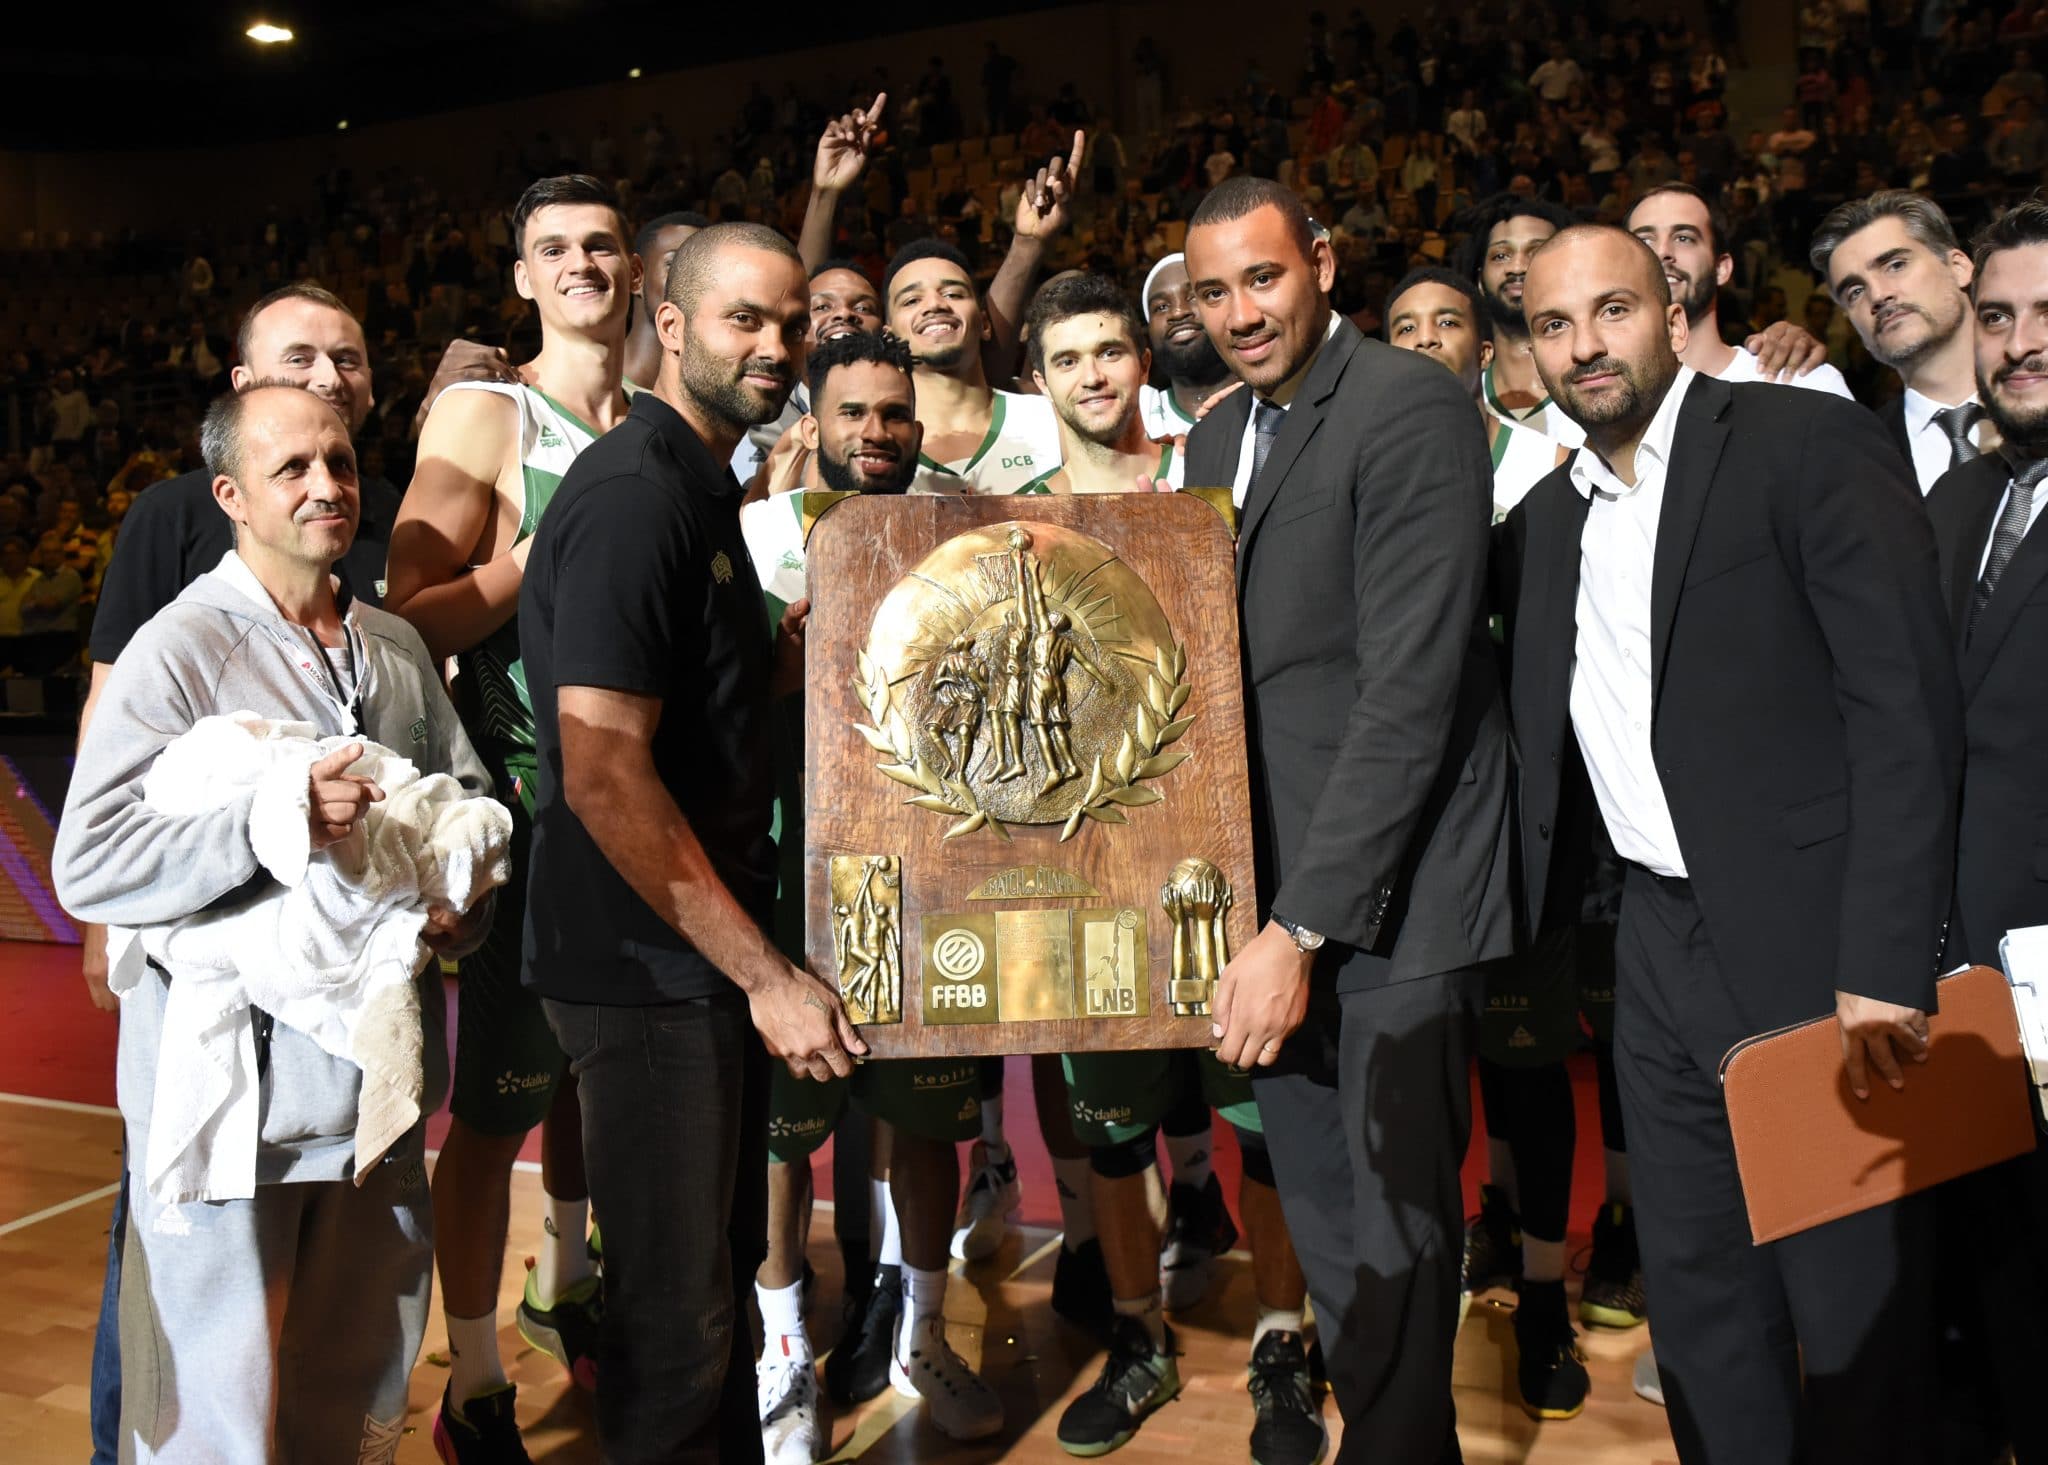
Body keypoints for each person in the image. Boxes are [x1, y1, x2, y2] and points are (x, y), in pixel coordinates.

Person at [1500, 223, 1960, 1465]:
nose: (1584, 346)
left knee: (1850, 1304)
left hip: (1815, 941)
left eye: (1610, 311)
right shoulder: (1543, 522)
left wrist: (1882, 955)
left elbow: (1903, 712)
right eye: (1552, 325)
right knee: (1698, 1290)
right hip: (1652, 942)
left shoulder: (1797, 441)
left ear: (1670, 310)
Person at [72, 285, 509, 1465]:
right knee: (211, 1431)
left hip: (374, 1101)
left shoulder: (396, 647)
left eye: (341, 463)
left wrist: (460, 903)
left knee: (351, 1404)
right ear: (230, 496)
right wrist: (276, 817)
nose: (326, 485)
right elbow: (89, 856)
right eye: (292, 469)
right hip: (229, 1119)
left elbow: (466, 808)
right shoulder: (180, 648)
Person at [518, 220, 863, 1463]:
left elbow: (667, 707)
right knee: (676, 1332)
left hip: (683, 963)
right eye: (743, 320)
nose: (776, 345)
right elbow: (603, 771)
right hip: (646, 970)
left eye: (791, 324)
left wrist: (762, 666)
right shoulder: (633, 496)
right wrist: (764, 974)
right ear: (669, 327)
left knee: (709, 1297)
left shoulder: (702, 485)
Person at [1182, 176, 1514, 1462]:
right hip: (1274, 894)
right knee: (1324, 1214)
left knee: (1394, 1227)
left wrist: (1301, 928)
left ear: (1320, 263)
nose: (1239, 313)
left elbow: (1408, 692)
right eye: (1212, 293)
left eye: (1262, 278)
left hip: (1396, 897)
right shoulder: (1217, 438)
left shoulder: (1407, 405)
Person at [384, 173, 637, 1460]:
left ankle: (567, 1280)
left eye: (600, 243)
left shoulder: (658, 416)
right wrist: (535, 559)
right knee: (496, 1109)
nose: (581, 263)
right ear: (524, 277)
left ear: (634, 267)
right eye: (555, 248)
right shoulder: (489, 415)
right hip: (529, 811)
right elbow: (404, 613)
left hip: (640, 809)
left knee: (599, 1080)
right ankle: (472, 1379)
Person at [739, 330, 1004, 1459]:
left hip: (933, 864)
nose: (876, 432)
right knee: (782, 1129)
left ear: (918, 424)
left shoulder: (965, 527)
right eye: (852, 413)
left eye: (893, 413)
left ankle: (920, 1332)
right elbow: (720, 707)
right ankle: (783, 1349)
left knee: (930, 1116)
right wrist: (779, 665)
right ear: (814, 422)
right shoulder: (759, 537)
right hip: (796, 867)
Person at [1922, 197, 2048, 1465]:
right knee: (1989, 1272)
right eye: (2000, 315)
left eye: (2047, 315)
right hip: (1962, 979)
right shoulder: (1959, 500)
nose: (2020, 342)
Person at [1812, 191, 1986, 492]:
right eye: (1855, 291)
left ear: (1958, 267)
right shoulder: (1859, 456)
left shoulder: (2037, 397)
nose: (1879, 295)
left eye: (1896, 265)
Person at [1629, 183, 1854, 395]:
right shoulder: (1609, 399)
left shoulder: (1804, 384)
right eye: (1644, 241)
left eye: (1684, 238)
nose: (1662, 252)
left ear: (1721, 269)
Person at [1383, 267, 1572, 517]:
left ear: (1484, 354)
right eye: (1407, 328)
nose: (1426, 338)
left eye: (1447, 323)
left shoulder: (1550, 465)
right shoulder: (1371, 473)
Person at [1015, 272, 1183, 493]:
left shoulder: (1204, 471)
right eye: (1067, 362)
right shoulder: (1025, 510)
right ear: (1043, 384)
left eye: (1109, 353)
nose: (1092, 378)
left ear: (1144, 366)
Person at [1139, 252, 1236, 438]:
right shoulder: (1142, 421)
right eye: (1161, 307)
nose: (1178, 313)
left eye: (1193, 297)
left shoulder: (1269, 402)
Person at [623, 210, 708, 391]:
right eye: (674, 264)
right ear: (636, 277)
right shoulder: (589, 389)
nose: (695, 281)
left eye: (706, 271)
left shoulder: (712, 395)